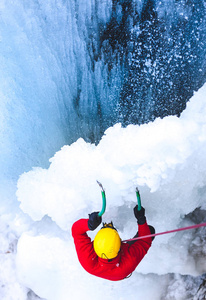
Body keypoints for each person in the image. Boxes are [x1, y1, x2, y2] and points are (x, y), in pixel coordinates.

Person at [71, 205, 154, 281]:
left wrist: (89, 224)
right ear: (120, 248)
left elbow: (76, 231)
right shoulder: (129, 261)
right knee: (149, 231)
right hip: (121, 267)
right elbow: (145, 241)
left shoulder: (88, 260)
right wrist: (141, 220)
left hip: (114, 266)